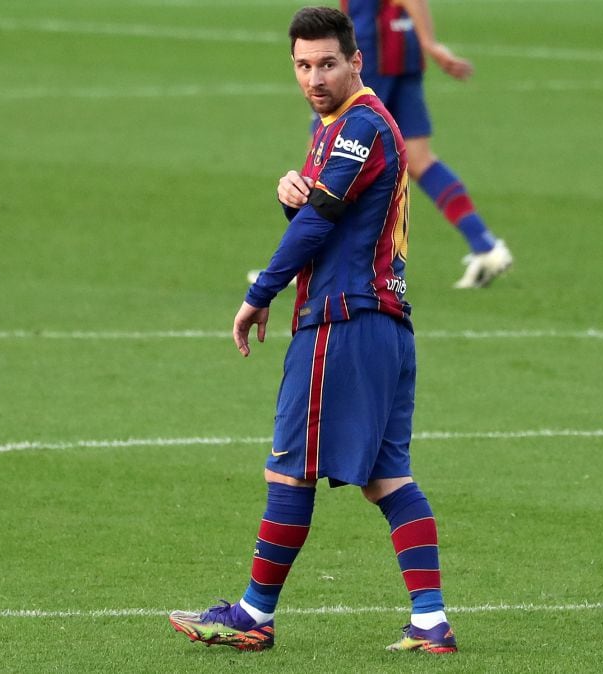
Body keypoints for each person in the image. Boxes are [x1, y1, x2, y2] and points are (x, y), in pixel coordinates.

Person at [168, 6, 457, 655]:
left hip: (342, 323)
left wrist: (258, 293)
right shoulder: (338, 128)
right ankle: (431, 622)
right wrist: (290, 199)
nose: (314, 76)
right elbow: (331, 216)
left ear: (357, 61)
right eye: (302, 65)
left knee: (290, 471)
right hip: (383, 325)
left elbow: (322, 223)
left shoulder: (358, 123)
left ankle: (253, 614)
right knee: (388, 479)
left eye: (327, 62)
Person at [343, 0, 512, 288]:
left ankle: (308, 263)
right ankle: (485, 245)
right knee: (420, 159)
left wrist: (430, 43)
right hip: (400, 49)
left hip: (373, 53)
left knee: (333, 157)